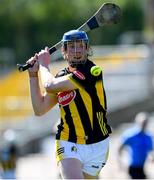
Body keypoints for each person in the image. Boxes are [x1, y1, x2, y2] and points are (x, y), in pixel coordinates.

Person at [26, 30, 112, 179]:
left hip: (98, 143)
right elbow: (39, 109)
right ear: (64, 51)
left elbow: (49, 85)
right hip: (68, 140)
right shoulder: (61, 77)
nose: (77, 50)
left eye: (80, 46)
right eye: (71, 46)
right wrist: (33, 75)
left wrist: (44, 65)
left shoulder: (92, 71)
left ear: (87, 49)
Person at [118, 112, 154, 179]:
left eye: (145, 122)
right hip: (132, 167)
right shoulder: (131, 135)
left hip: (142, 166)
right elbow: (119, 148)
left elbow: (152, 150)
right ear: (137, 122)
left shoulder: (148, 137)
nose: (144, 124)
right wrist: (120, 161)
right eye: (142, 122)